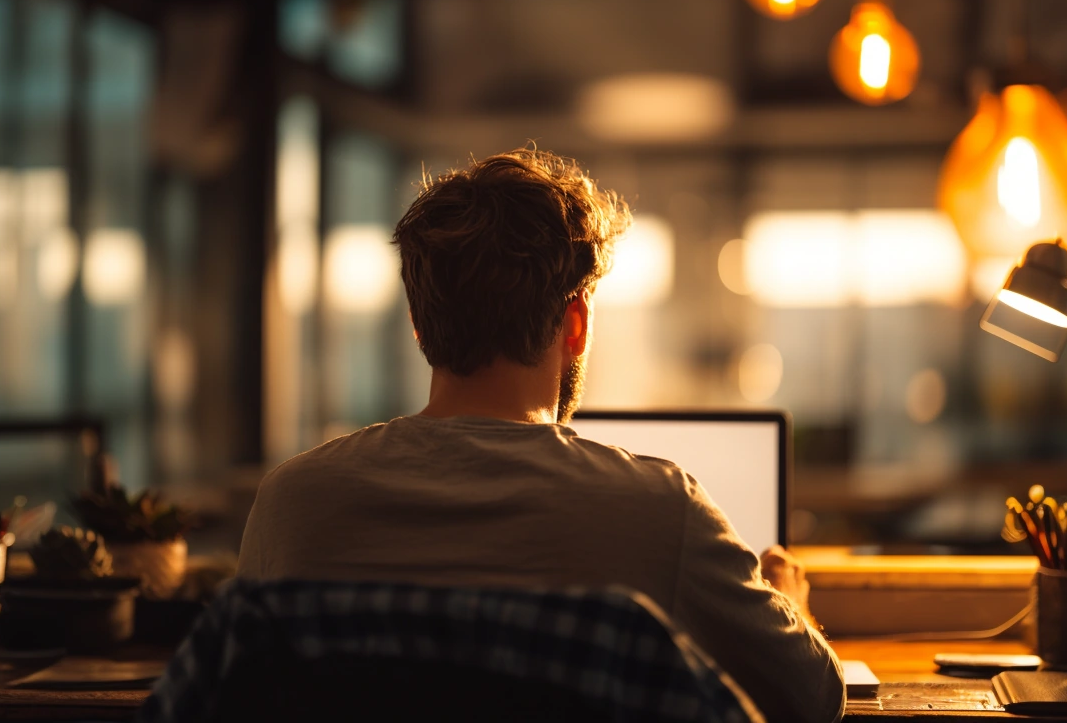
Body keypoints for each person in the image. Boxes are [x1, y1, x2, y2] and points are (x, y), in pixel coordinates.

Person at [237, 147, 845, 723]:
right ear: (575, 323)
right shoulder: (659, 512)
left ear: (420, 325)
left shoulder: (292, 504)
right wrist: (789, 603)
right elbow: (812, 698)